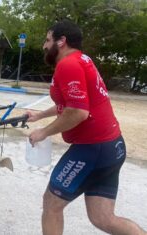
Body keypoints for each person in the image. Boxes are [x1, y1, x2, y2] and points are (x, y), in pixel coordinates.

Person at [25, 20, 146, 235]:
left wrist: (43, 132)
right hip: (112, 146)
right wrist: (40, 115)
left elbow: (79, 112)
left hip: (93, 149)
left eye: (47, 40)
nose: (44, 46)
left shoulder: (68, 65)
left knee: (51, 204)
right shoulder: (81, 60)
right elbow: (73, 104)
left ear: (62, 41)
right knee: (103, 218)